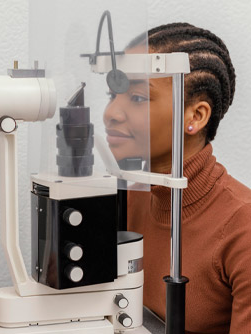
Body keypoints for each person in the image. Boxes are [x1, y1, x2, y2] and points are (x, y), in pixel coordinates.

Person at [103, 23, 251, 333]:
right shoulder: (130, 201)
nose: (111, 113)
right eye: (112, 94)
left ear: (195, 117)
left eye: (139, 98)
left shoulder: (242, 227)